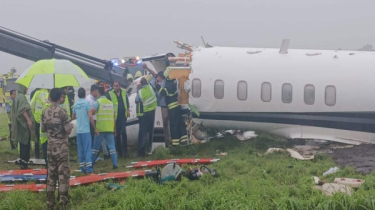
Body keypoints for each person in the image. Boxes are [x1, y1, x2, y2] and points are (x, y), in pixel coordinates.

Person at [41, 88, 73, 210]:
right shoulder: (62, 112)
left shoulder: (45, 111)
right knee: (63, 175)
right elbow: (67, 130)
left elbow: (43, 129)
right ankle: (63, 204)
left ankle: (50, 204)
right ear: (60, 97)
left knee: (51, 175)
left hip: (50, 148)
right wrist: (70, 125)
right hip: (62, 148)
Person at [143, 64, 171, 147]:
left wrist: (156, 87)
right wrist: (147, 68)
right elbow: (154, 74)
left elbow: (160, 94)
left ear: (160, 78)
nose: (156, 78)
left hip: (163, 108)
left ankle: (165, 142)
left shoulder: (162, 84)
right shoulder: (162, 82)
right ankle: (166, 142)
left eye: (157, 77)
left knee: (163, 125)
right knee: (164, 126)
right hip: (162, 108)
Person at [158, 68, 188, 146]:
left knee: (173, 125)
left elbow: (164, 93)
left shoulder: (170, 84)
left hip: (172, 108)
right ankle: (183, 139)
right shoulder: (175, 82)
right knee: (180, 123)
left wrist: (157, 87)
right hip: (177, 107)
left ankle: (175, 143)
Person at [91, 87, 118, 169]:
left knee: (95, 148)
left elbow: (92, 111)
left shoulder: (98, 102)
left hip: (101, 128)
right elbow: (113, 116)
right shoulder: (110, 103)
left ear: (98, 93)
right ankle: (115, 164)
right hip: (109, 128)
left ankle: (90, 164)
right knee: (112, 148)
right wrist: (114, 128)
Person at [72, 88, 97, 174]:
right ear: (85, 95)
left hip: (79, 131)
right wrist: (95, 128)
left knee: (81, 150)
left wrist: (80, 116)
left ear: (78, 95)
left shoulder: (75, 105)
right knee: (87, 150)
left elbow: (73, 117)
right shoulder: (87, 103)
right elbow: (90, 117)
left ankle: (82, 168)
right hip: (86, 131)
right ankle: (89, 169)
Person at [11, 84, 34, 169]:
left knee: (22, 143)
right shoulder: (21, 97)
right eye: (26, 87)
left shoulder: (17, 97)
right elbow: (22, 109)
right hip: (23, 125)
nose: (27, 89)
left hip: (20, 125)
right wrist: (28, 120)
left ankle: (23, 162)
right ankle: (24, 163)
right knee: (25, 143)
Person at [107, 81, 130, 158]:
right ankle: (119, 152)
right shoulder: (110, 94)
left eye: (117, 86)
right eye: (114, 86)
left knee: (123, 132)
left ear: (120, 86)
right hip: (115, 117)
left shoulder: (123, 91)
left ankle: (125, 151)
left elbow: (127, 101)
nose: (115, 87)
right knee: (117, 134)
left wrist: (128, 110)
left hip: (123, 115)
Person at [136, 77, 157, 156]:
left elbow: (137, 100)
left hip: (146, 113)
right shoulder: (151, 87)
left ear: (141, 84)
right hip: (154, 112)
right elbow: (153, 79)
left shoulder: (140, 92)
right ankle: (151, 148)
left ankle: (142, 151)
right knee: (152, 131)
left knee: (144, 132)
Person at [30, 88, 49, 158]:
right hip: (45, 119)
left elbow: (31, 105)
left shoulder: (37, 93)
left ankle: (37, 155)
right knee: (46, 137)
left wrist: (33, 115)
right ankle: (46, 154)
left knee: (37, 138)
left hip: (36, 118)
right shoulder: (48, 94)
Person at [39, 94, 51, 167]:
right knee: (48, 157)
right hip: (46, 137)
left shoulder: (47, 107)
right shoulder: (47, 108)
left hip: (45, 137)